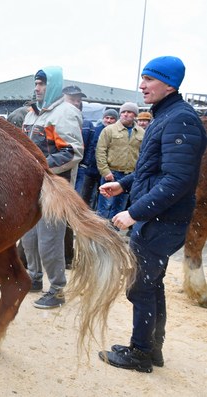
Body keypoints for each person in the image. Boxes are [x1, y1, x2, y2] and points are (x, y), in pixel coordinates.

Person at [99, 56, 207, 373]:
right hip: (158, 216)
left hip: (162, 220)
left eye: (149, 79)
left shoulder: (180, 120)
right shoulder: (167, 115)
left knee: (141, 286)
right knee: (152, 283)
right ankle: (152, 349)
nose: (142, 85)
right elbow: (156, 170)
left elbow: (177, 181)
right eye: (142, 78)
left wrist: (132, 213)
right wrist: (123, 184)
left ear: (169, 84)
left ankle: (141, 352)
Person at [21, 67, 83, 309]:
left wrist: (39, 168)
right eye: (36, 83)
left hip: (54, 187)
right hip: (31, 186)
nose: (37, 88)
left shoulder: (65, 113)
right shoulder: (32, 113)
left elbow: (72, 152)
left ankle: (57, 289)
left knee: (49, 241)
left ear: (53, 85)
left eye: (42, 84)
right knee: (28, 238)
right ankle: (34, 277)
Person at [95, 102, 144, 220]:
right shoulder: (109, 130)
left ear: (135, 115)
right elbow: (100, 151)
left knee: (119, 209)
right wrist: (105, 171)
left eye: (129, 112)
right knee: (104, 207)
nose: (126, 115)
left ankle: (113, 235)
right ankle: (100, 234)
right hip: (112, 173)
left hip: (129, 176)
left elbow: (143, 154)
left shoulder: (142, 132)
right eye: (123, 112)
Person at [61, 85, 93, 269]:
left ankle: (67, 256)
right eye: (72, 98)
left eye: (78, 99)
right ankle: (66, 257)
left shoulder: (79, 118)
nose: (76, 102)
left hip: (72, 170)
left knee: (65, 214)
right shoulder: (63, 115)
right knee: (65, 214)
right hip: (60, 171)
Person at [79, 108, 118, 209]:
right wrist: (86, 163)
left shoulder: (117, 132)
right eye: (107, 118)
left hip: (107, 172)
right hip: (91, 169)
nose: (108, 121)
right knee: (85, 196)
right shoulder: (96, 130)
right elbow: (89, 147)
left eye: (112, 118)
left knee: (102, 198)